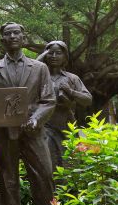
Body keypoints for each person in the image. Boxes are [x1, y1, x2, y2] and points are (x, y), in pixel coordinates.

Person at [0, 22, 56, 205]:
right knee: (8, 176)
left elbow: (49, 100)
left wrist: (36, 119)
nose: (13, 36)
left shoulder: (40, 68)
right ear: (2, 40)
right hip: (4, 131)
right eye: (8, 33)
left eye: (17, 32)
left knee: (44, 174)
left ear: (23, 37)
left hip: (33, 130)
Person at [37, 41, 92, 173]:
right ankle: (50, 192)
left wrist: (71, 92)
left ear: (65, 57)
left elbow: (88, 100)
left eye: (58, 53)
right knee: (47, 163)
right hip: (45, 125)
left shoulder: (72, 78)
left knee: (68, 164)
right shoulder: (38, 77)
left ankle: (66, 192)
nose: (54, 56)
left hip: (66, 126)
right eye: (50, 53)